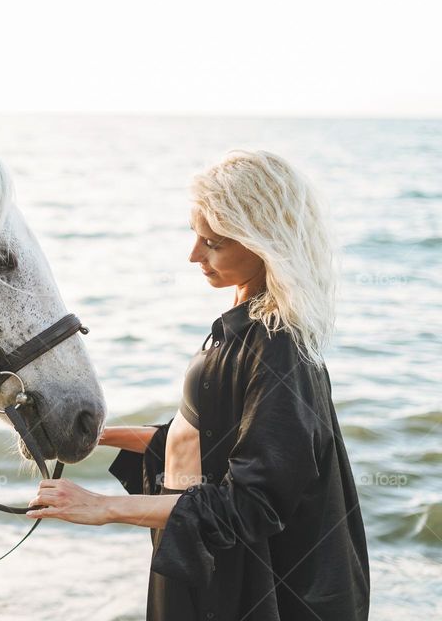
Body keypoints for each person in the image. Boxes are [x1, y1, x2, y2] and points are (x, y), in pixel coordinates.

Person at [27, 150, 370, 620]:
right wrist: (90, 436)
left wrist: (103, 507)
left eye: (213, 243)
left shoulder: (278, 346)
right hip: (206, 574)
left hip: (260, 597)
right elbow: (205, 446)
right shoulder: (239, 328)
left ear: (264, 241)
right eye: (195, 234)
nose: (193, 255)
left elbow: (252, 502)